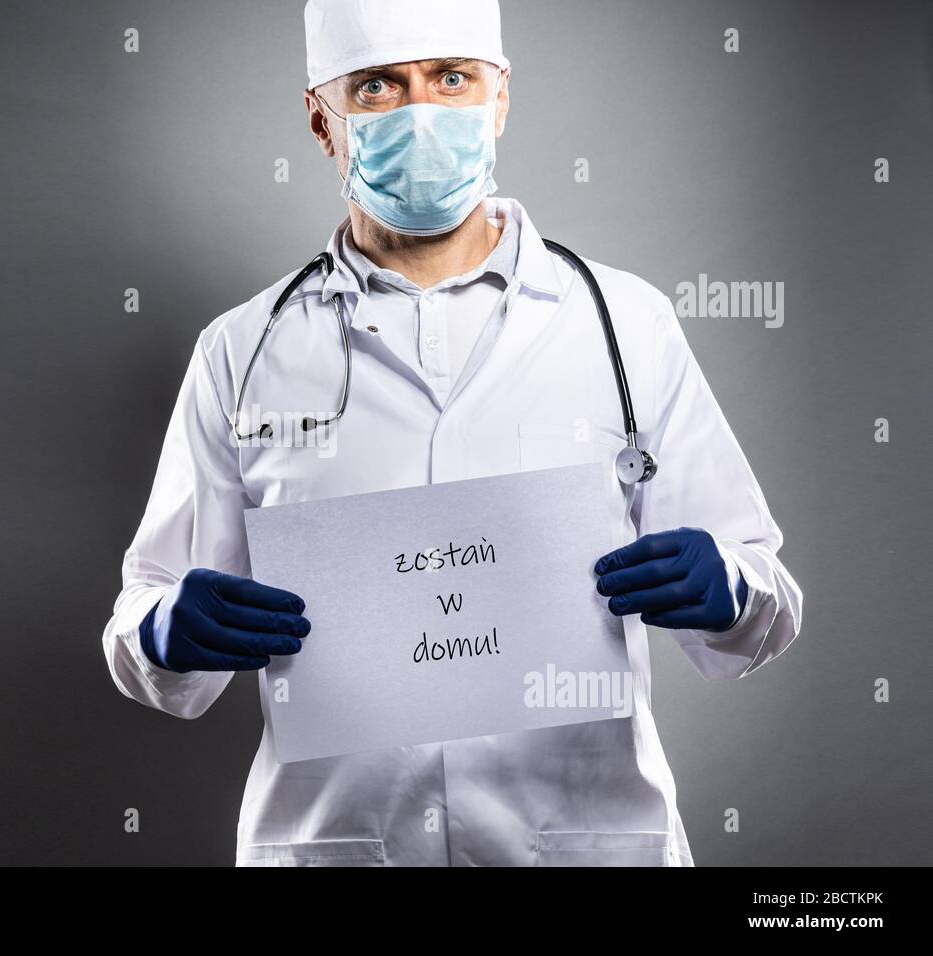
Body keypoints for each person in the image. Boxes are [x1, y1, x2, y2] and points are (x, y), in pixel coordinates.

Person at [101, 0, 804, 866]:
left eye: (452, 78)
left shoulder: (626, 324)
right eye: (377, 86)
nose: (421, 112)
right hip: (338, 845)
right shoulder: (243, 352)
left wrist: (728, 586)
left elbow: (764, 605)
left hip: (587, 845)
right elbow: (148, 636)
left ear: (499, 99)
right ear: (323, 120)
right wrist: (166, 632)